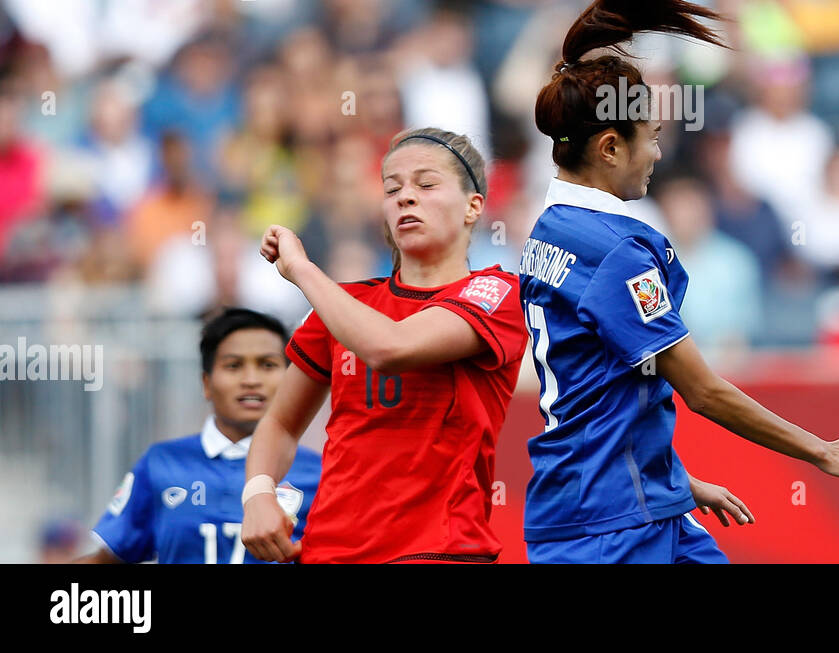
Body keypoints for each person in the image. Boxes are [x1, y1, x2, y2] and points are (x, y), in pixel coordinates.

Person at [520, 0, 839, 564]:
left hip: (634, 498)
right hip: (610, 525)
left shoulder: (550, 229)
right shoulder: (614, 252)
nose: (657, 151)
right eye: (648, 136)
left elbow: (602, 384)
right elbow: (702, 390)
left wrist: (678, 480)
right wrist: (822, 450)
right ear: (609, 146)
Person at [243, 126, 528, 563]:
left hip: (437, 551)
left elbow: (390, 347)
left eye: (426, 184)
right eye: (392, 188)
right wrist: (259, 494)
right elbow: (280, 424)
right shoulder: (346, 306)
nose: (405, 197)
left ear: (474, 207)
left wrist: (302, 270)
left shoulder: (496, 293)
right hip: (326, 552)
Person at [75, 308, 321, 564]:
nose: (251, 379)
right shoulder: (162, 462)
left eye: (267, 365)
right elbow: (110, 558)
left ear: (291, 380)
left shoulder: (319, 473)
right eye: (234, 365)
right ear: (206, 383)